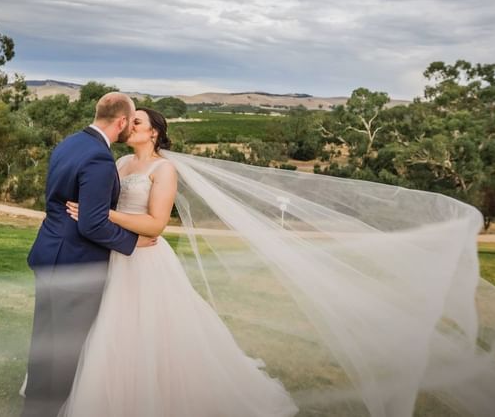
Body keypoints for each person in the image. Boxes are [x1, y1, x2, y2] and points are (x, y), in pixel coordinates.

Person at [59, 108, 298, 417]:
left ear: (154, 132)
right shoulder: (120, 162)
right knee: (112, 328)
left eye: (137, 122)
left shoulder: (165, 169)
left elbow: (156, 225)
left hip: (146, 259)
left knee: (149, 329)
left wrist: (103, 215)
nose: (129, 126)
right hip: (116, 253)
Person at [22, 92, 158, 417]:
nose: (132, 127)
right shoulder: (99, 158)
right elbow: (92, 224)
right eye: (132, 121)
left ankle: (34, 409)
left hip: (49, 253)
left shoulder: (70, 143)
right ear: (121, 122)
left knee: (45, 341)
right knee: (66, 352)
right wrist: (132, 242)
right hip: (76, 263)